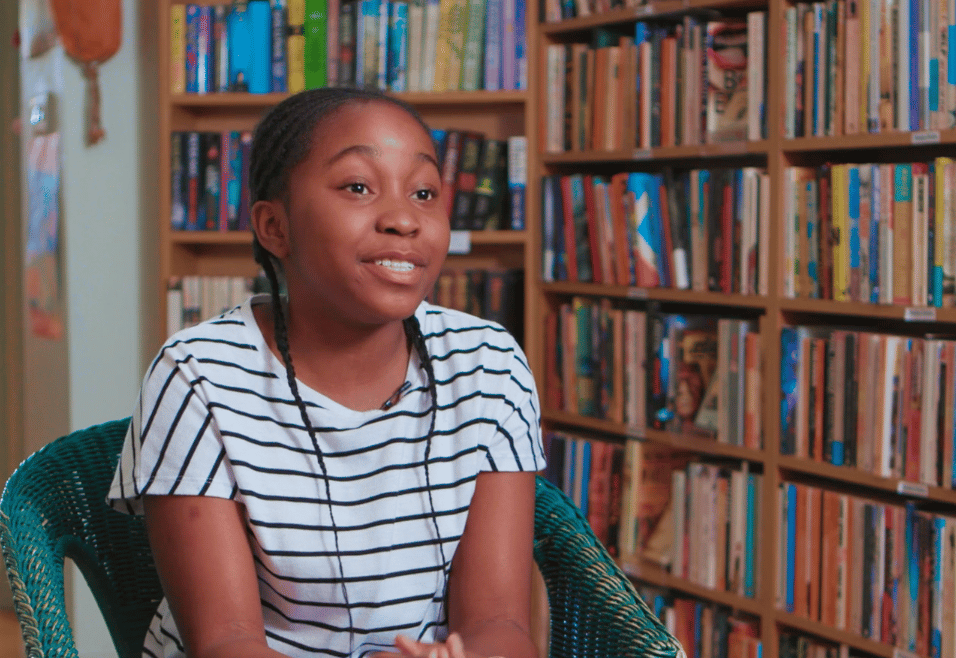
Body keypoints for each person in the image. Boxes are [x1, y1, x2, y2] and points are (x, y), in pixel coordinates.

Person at [108, 87, 544, 658]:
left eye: (424, 192)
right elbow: (226, 643)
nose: (403, 219)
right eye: (358, 187)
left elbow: (502, 628)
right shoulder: (198, 377)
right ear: (275, 227)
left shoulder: (490, 366)